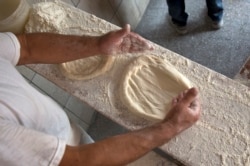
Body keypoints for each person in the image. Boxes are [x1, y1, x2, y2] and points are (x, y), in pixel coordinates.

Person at [0, 24, 201, 166]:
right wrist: (171, 126)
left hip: (65, 136)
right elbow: (79, 161)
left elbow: (26, 47)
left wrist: (97, 45)